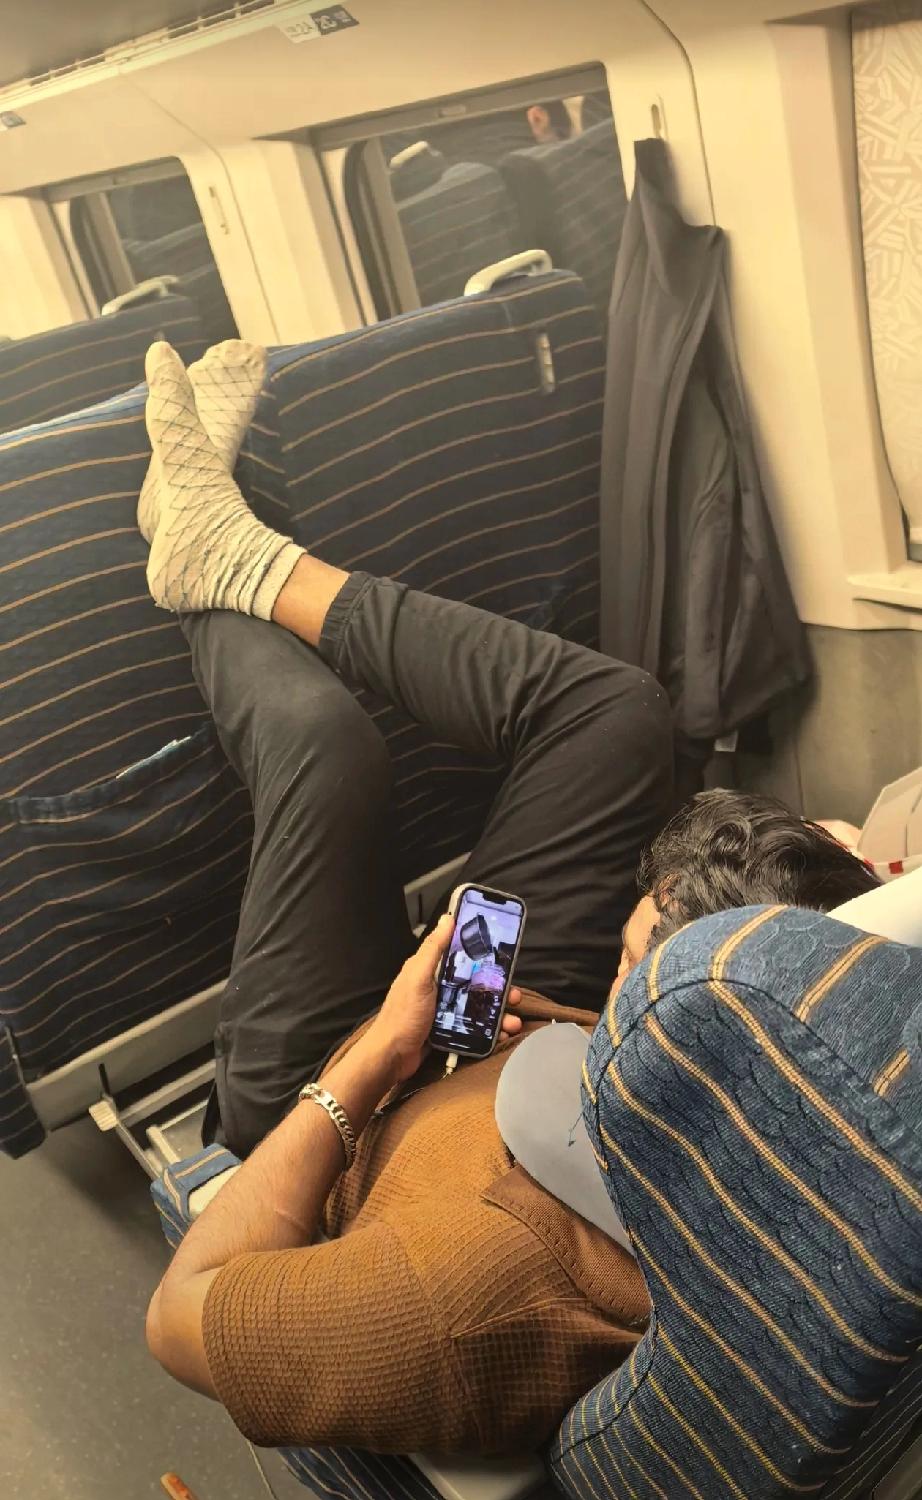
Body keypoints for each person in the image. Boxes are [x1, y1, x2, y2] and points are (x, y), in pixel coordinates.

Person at [142, 339, 879, 1457]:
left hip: (338, 1095)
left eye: (633, 965)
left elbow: (178, 1320)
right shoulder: (772, 1096)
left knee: (325, 748)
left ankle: (198, 547)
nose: (624, 962)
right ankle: (244, 557)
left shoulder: (457, 1304)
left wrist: (375, 1059)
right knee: (620, 713)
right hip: (501, 1034)